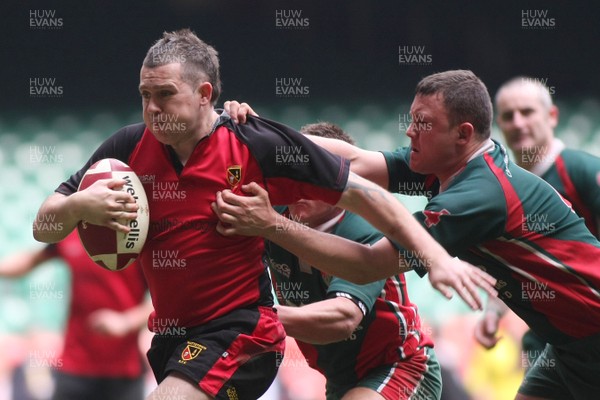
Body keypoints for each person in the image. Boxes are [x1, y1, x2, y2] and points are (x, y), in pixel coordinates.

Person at [32, 30, 493, 400]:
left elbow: (366, 194)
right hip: (174, 339)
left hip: (240, 333)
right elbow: (42, 226)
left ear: (204, 94)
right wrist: (78, 206)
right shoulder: (126, 149)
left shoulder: (255, 142)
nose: (152, 108)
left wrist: (437, 256)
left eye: (165, 95)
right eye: (144, 95)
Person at [217, 70, 600, 399]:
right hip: (568, 343)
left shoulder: (477, 196)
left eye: (423, 123)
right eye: (412, 118)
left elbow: (368, 265)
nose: (409, 130)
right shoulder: (447, 165)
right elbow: (355, 160)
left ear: (462, 134)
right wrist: (251, 132)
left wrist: (271, 225)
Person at [267, 122, 442, 400]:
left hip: (400, 365)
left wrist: (253, 317)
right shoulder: (270, 213)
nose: (296, 184)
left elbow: (343, 318)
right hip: (339, 379)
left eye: (310, 174)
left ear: (341, 181)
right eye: (289, 172)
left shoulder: (364, 230)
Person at [474, 76, 600, 369]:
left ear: (552, 116)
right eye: (508, 116)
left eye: (527, 112)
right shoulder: (504, 190)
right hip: (550, 337)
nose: (518, 123)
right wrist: (493, 312)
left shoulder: (581, 171)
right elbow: (516, 262)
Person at [0, 231, 150, 400]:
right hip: (73, 367)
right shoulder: (72, 234)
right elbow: (30, 261)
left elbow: (163, 302)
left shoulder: (137, 237)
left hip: (123, 372)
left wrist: (126, 322)